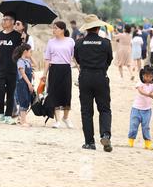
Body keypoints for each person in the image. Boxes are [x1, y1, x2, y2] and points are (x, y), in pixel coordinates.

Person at [74, 15, 114, 152]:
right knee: (104, 109)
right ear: (98, 27)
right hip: (101, 77)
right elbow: (109, 59)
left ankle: (89, 142)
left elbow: (77, 59)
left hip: (85, 77)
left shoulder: (79, 43)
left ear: (87, 28)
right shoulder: (106, 43)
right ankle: (105, 134)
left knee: (86, 111)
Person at [0, 12, 23, 125]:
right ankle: (0, 113)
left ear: (13, 22)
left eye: (6, 19)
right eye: (3, 19)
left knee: (10, 92)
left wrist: (24, 37)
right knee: (0, 90)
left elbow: (22, 52)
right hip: (0, 68)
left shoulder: (18, 36)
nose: (3, 21)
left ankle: (8, 115)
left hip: (12, 68)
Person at [42, 21, 75, 129]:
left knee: (66, 93)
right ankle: (57, 120)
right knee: (54, 94)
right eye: (53, 28)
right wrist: (44, 74)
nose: (53, 30)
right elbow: (47, 59)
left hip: (66, 69)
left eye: (56, 28)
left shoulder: (70, 41)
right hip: (54, 69)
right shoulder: (51, 42)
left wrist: (80, 70)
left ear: (62, 30)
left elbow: (74, 57)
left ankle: (66, 117)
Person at [128, 66, 153, 151]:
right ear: (142, 75)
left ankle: (147, 143)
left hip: (147, 110)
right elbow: (140, 91)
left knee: (146, 127)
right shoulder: (140, 83)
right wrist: (149, 94)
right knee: (133, 125)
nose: (148, 78)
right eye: (146, 76)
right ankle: (131, 141)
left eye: (150, 77)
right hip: (136, 109)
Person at [13, 44, 34, 127]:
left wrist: (32, 74)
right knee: (23, 101)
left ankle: (23, 120)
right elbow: (23, 73)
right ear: (25, 52)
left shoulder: (27, 61)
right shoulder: (20, 61)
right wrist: (29, 83)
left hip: (27, 83)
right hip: (22, 84)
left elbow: (33, 66)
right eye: (30, 52)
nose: (31, 53)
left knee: (26, 100)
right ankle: (22, 121)